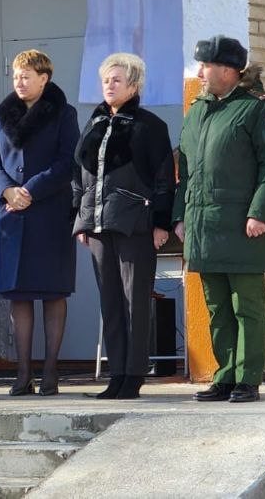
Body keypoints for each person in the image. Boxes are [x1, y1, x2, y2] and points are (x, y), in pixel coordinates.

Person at [175, 35, 265, 404]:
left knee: (246, 305)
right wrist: (180, 216)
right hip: (203, 227)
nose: (200, 73)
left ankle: (247, 377)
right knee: (217, 307)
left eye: (205, 67)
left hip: (243, 226)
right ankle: (224, 375)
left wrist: (259, 212)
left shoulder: (260, 108)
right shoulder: (198, 109)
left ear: (226, 70)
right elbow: (186, 170)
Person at [72, 53, 175, 400]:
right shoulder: (95, 122)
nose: (109, 85)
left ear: (133, 85)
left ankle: (133, 375)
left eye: (116, 80)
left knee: (135, 301)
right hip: (98, 225)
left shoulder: (149, 125)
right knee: (110, 301)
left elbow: (164, 178)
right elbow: (80, 174)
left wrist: (161, 222)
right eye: (105, 80)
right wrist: (82, 218)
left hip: (135, 224)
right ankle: (116, 373)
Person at [0, 50, 80, 396]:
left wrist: (31, 191)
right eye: (16, 76)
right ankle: (23, 373)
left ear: (44, 78)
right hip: (9, 215)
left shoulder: (64, 114)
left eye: (26, 76)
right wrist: (7, 190)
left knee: (52, 293)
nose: (19, 82)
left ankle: (50, 371)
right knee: (18, 296)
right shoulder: (2, 114)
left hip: (48, 214)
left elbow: (67, 160)